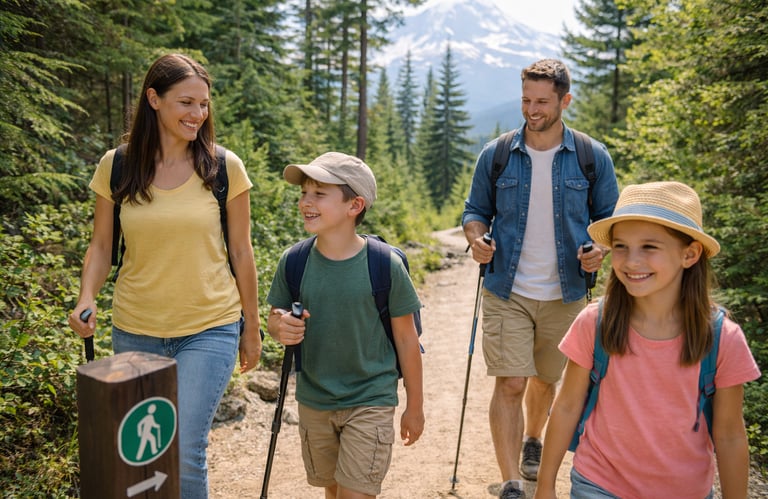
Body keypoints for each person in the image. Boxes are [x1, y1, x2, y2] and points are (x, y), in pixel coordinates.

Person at [68, 53, 262, 499]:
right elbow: (101, 246)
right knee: (140, 455)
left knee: (182, 449)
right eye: (186, 103)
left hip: (210, 327)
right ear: (154, 99)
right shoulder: (117, 166)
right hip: (136, 330)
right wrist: (87, 296)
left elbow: (241, 250)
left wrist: (250, 327)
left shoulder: (223, 168)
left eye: (204, 104)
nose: (198, 114)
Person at [534, 181, 761, 499]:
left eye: (649, 247)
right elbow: (567, 406)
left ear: (690, 254)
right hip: (599, 484)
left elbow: (730, 435)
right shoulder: (594, 323)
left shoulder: (723, 338)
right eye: (621, 246)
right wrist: (545, 487)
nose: (630, 261)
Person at [462, 58, 619, 499]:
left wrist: (599, 251)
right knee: (511, 381)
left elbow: (610, 220)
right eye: (527, 100)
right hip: (505, 288)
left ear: (565, 101)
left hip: (566, 291)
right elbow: (474, 212)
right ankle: (512, 481)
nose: (532, 110)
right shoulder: (496, 154)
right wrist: (477, 240)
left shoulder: (591, 157)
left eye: (543, 102)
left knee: (546, 380)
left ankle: (534, 438)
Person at [266, 152, 424, 499]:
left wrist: (415, 406)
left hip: (371, 398)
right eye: (304, 193)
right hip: (314, 400)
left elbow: (406, 339)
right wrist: (280, 328)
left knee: (356, 494)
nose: (306, 202)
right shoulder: (294, 261)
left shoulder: (385, 266)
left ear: (355, 205)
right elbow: (275, 319)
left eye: (319, 194)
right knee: (334, 490)